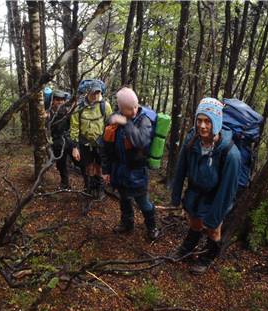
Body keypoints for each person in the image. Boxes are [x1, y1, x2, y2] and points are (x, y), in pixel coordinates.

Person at [170, 97, 241, 274]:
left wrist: (215, 217)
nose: (202, 126)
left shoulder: (230, 154)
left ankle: (208, 257)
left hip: (215, 198)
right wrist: (176, 194)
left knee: (213, 230)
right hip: (195, 193)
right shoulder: (192, 139)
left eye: (208, 121)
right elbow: (181, 167)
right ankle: (187, 248)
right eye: (199, 120)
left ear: (216, 122)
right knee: (194, 223)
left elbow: (227, 191)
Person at [101, 87, 160, 240]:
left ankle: (152, 227)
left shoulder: (144, 120)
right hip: (118, 170)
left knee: (143, 202)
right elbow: (106, 147)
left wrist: (125, 122)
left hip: (137, 172)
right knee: (124, 198)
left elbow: (141, 141)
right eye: (129, 109)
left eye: (135, 106)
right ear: (120, 108)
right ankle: (127, 223)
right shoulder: (113, 119)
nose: (134, 111)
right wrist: (106, 170)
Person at [70, 80, 112, 199]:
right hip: (84, 143)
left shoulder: (105, 106)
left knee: (99, 166)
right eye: (94, 93)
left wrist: (109, 145)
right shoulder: (79, 107)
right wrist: (75, 147)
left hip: (101, 143)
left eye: (98, 93)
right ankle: (89, 188)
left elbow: (110, 126)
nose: (96, 95)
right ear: (88, 92)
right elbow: (74, 127)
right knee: (87, 166)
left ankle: (100, 189)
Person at [47, 89, 73, 189]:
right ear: (53, 100)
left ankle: (89, 184)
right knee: (61, 164)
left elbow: (72, 126)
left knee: (79, 161)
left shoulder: (67, 111)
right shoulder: (48, 113)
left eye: (62, 99)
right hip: (57, 142)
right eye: (57, 99)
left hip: (68, 140)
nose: (60, 102)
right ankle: (65, 184)